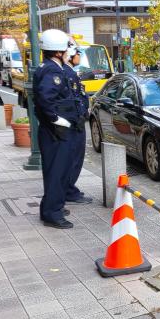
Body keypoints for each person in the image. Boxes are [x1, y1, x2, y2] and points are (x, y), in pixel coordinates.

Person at [34, 29, 79, 229]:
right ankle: (52, 213)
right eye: (66, 49)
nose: (69, 53)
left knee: (58, 170)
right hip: (55, 131)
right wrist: (56, 120)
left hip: (56, 130)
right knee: (56, 172)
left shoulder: (51, 67)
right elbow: (46, 98)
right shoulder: (52, 70)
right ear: (58, 52)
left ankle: (53, 207)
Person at [62, 40, 93, 205]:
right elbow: (73, 98)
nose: (80, 57)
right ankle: (69, 190)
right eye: (78, 54)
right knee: (74, 157)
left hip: (76, 119)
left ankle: (69, 188)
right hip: (74, 122)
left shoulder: (68, 71)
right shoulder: (67, 72)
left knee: (74, 157)